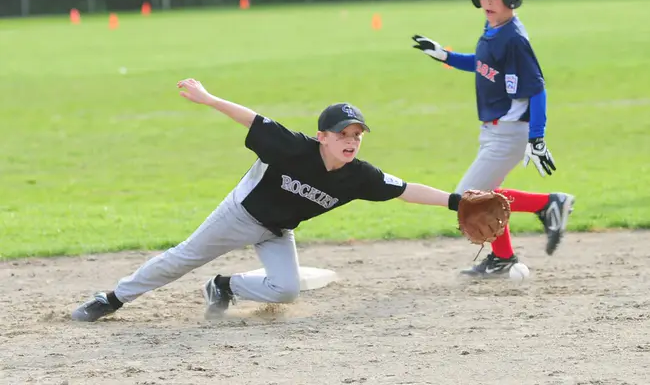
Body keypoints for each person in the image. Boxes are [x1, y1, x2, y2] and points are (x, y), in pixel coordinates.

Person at [72, 78, 471, 322]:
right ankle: (110, 298)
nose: (351, 141)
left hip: (278, 229)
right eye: (343, 134)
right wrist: (209, 99)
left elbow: (406, 189)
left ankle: (223, 287)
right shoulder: (294, 148)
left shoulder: (359, 176)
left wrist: (457, 202)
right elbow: (252, 118)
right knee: (182, 259)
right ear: (323, 136)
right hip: (241, 214)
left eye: (357, 135)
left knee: (286, 289)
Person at [411, 0, 575, 277]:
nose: (487, 0)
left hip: (510, 132)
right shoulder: (493, 28)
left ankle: (548, 204)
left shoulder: (514, 39)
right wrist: (444, 55)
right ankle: (504, 258)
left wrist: (537, 138)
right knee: (486, 196)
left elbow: (537, 89)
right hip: (494, 131)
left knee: (465, 198)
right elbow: (480, 62)